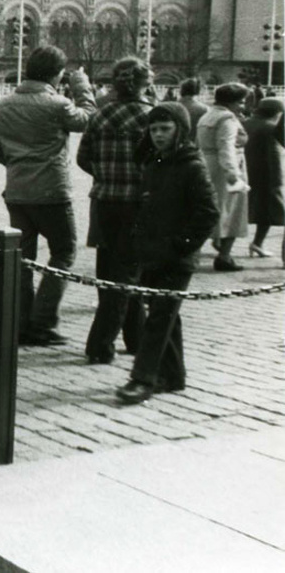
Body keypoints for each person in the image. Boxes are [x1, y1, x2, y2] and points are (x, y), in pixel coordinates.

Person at [0, 46, 95, 346]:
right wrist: (81, 87)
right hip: (52, 191)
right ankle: (42, 321)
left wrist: (20, 164)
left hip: (17, 192)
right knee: (63, 253)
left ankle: (20, 322)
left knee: (23, 259)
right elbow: (88, 118)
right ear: (57, 74)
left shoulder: (3, 104)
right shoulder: (57, 104)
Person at [116, 103, 219, 405]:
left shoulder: (192, 165)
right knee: (166, 314)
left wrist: (181, 245)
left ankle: (142, 378)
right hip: (153, 252)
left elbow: (208, 212)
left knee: (159, 318)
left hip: (175, 256)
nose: (158, 134)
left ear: (181, 130)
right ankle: (173, 375)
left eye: (165, 128)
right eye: (154, 128)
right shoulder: (154, 162)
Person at [76, 57, 152, 364]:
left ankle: (136, 337)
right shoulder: (150, 116)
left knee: (110, 273)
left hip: (104, 202)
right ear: (145, 84)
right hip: (138, 204)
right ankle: (99, 344)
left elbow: (83, 157)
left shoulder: (101, 114)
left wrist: (106, 173)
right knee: (129, 274)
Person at [196, 83, 250, 271]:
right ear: (231, 102)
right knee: (232, 211)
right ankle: (224, 256)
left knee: (208, 208)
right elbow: (226, 147)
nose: (243, 106)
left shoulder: (207, 115)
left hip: (207, 164)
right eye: (241, 102)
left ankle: (195, 251)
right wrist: (233, 175)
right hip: (226, 168)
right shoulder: (227, 119)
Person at [243, 98, 284, 262]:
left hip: (247, 171)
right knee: (270, 210)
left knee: (243, 207)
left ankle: (222, 245)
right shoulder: (271, 128)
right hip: (267, 174)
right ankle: (257, 243)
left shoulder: (245, 123)